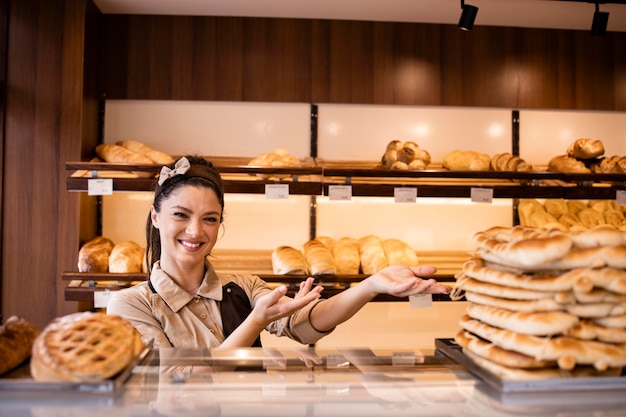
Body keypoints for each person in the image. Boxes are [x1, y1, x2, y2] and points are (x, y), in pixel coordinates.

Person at [106, 155, 451, 349]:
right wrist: (255, 322)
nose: (196, 231)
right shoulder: (131, 305)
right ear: (155, 216)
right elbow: (179, 388)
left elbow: (305, 322)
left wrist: (370, 286)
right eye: (180, 215)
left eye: (209, 219)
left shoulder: (240, 286)